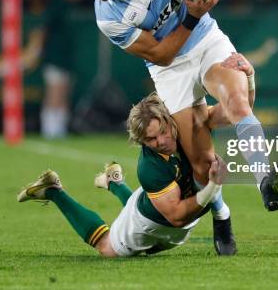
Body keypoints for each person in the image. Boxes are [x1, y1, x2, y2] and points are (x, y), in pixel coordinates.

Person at [66, 0, 278, 246]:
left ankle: (265, 179)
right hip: (170, 70)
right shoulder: (108, 17)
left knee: (237, 104)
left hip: (205, 40)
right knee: (202, 165)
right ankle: (222, 213)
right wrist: (192, 14)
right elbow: (161, 54)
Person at [16, 54, 255, 257]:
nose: (160, 142)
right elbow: (177, 217)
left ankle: (115, 182)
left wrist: (249, 78)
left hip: (177, 198)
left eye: (162, 132)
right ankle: (54, 190)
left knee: (200, 169)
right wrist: (214, 186)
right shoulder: (148, 168)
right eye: (150, 140)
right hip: (151, 223)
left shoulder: (188, 124)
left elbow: (240, 111)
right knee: (107, 247)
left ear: (168, 119)